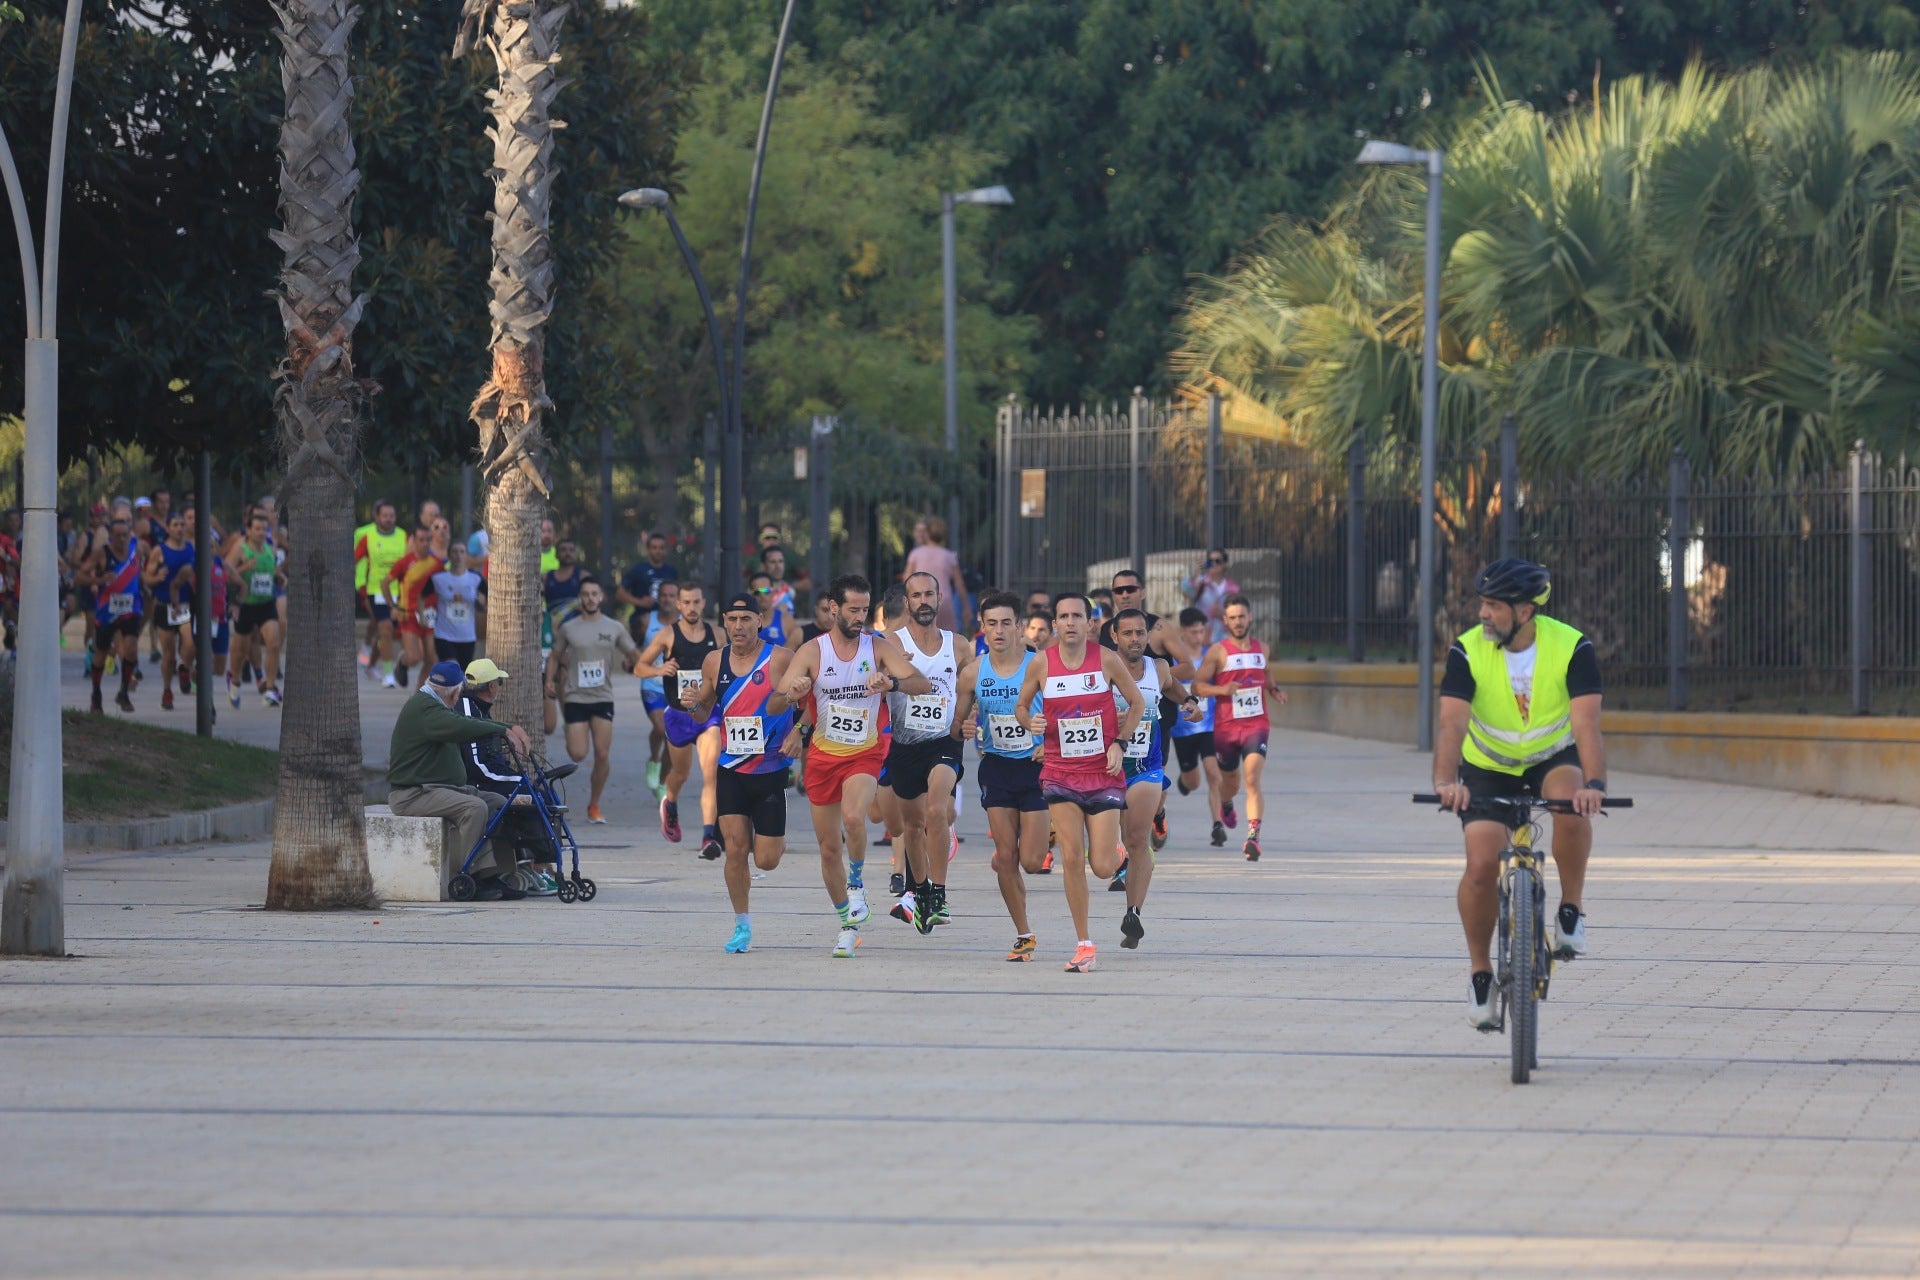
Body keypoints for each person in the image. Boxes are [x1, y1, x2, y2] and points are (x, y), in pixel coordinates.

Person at [1431, 558, 1607, 1029]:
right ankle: (1481, 973)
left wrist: (1595, 784)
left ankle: (1571, 910)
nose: (1483, 614)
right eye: (1482, 604)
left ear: (1525, 610)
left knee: (1570, 805)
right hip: (1489, 767)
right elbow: (1452, 722)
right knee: (1482, 865)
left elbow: (1586, 723)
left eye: (1493, 606)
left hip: (1551, 757)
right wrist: (1446, 782)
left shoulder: (1571, 647)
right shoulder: (1467, 651)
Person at [777, 573, 932, 959]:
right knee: (829, 850)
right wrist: (793, 693)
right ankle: (848, 925)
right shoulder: (813, 651)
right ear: (833, 608)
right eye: (853, 609)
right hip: (822, 758)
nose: (860, 616)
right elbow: (775, 703)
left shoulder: (876, 647)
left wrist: (892, 685)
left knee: (853, 817)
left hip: (865, 752)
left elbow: (922, 683)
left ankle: (858, 884)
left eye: (865, 609)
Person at [1015, 593, 1144, 974]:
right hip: (1059, 772)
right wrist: (1029, 722)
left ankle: (1117, 855)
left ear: (1090, 623)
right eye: (1063, 616)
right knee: (1071, 856)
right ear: (1054, 623)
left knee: (1102, 866)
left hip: (1102, 772)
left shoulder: (1105, 659)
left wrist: (1120, 743)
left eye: (1077, 616)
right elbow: (1022, 706)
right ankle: (1084, 943)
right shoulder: (1041, 663)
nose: (1070, 622)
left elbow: (1136, 705)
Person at [689, 592, 799, 953]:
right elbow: (704, 712)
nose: (739, 626)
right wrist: (692, 706)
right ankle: (741, 925)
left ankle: (766, 834)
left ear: (759, 621)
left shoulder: (780, 658)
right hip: (731, 769)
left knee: (766, 859)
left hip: (769, 771)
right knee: (735, 850)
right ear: (724, 621)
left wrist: (800, 732)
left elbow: (812, 698)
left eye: (746, 619)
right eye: (732, 620)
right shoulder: (713, 661)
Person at [953, 591, 1050, 961]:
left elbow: (1065, 710)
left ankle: (1038, 833)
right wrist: (960, 728)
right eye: (991, 623)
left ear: (1019, 626)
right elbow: (957, 724)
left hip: (1037, 767)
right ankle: (1024, 935)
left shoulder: (1040, 665)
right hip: (996, 767)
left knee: (1031, 861)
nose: (999, 631)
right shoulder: (974, 672)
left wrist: (1051, 743)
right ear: (982, 628)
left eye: (1006, 623)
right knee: (1007, 856)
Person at [388, 660, 533, 901]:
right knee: (474, 808)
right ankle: (472, 875)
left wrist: (508, 727)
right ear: (456, 692)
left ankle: (496, 873)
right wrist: (503, 730)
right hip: (413, 794)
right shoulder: (425, 709)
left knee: (498, 801)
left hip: (441, 788)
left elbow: (467, 723)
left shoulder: (436, 704)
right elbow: (462, 726)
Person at [1109, 608, 1203, 950]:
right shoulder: (1104, 668)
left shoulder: (1157, 667)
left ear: (1147, 637)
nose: (1135, 639)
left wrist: (1191, 702)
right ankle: (1111, 866)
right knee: (1106, 856)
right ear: (1115, 637)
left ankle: (1133, 913)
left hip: (1146, 765)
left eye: (1140, 633)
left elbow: (1173, 688)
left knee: (1137, 839)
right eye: (1128, 633)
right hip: (1109, 766)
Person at [880, 570, 966, 932]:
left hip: (944, 742)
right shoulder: (890, 643)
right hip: (905, 746)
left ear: (939, 598)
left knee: (936, 809)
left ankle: (940, 894)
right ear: (907, 602)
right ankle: (922, 889)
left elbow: (970, 689)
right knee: (912, 826)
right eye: (917, 596)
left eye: (930, 594)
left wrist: (970, 716)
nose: (924, 602)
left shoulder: (958, 645)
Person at [1097, 567, 1197, 864]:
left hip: (1156, 719)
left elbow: (1185, 670)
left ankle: (1154, 818)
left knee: (1147, 795)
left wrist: (1149, 679)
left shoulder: (1161, 630)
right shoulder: (1104, 632)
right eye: (1119, 590)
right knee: (1118, 804)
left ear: (1142, 592)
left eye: (1131, 588)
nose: (1125, 594)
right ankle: (1123, 858)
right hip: (1113, 739)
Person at [1191, 594, 1288, 861]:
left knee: (1253, 778)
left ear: (1250, 617)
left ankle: (1253, 837)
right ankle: (1225, 802)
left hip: (1257, 724)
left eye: (1241, 616)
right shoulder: (1218, 651)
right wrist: (1222, 689)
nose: (1237, 622)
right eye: (1232, 618)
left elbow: (1266, 674)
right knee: (1230, 783)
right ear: (1225, 621)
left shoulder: (1262, 649)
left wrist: (1274, 690)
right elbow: (1197, 686)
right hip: (1226, 728)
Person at [634, 581, 724, 857]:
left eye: (697, 602)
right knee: (680, 774)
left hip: (708, 714)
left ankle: (709, 836)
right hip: (678, 715)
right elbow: (639, 667)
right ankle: (669, 802)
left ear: (703, 603)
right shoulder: (667, 635)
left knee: (712, 775)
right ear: (678, 605)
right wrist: (660, 669)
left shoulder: (717, 634)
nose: (692, 607)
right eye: (686, 603)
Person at [457, 658, 558, 896]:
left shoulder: (479, 710)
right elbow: (477, 766)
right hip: (481, 783)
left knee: (544, 793)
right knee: (534, 796)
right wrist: (518, 781)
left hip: (493, 778)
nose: (499, 687)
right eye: (499, 683)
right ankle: (538, 864)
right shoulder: (470, 712)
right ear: (492, 686)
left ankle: (536, 866)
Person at [545, 577, 636, 825]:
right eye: (585, 594)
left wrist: (635, 663)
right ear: (580, 598)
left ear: (601, 597)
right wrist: (550, 679)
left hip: (603, 697)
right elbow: (555, 655)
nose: (590, 598)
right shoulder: (569, 627)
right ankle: (572, 731)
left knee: (603, 754)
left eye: (594, 593)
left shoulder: (614, 627)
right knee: (577, 753)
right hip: (575, 696)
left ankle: (594, 804)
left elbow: (633, 653)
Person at [1170, 607, 1227, 846]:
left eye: (1202, 631)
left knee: (1214, 773)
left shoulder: (1210, 655)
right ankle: (1184, 781)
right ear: (1183, 632)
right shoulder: (1173, 660)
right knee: (1193, 782)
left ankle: (1217, 825)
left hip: (1208, 724)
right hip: (1182, 729)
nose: (1198, 636)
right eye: (1193, 631)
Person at [79, 513, 146, 714]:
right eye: (118, 535)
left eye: (125, 535)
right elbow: (80, 575)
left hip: (130, 607)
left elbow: (138, 572)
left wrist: (143, 586)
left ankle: (123, 692)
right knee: (101, 652)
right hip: (107, 610)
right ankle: (96, 694)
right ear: (111, 536)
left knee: (131, 647)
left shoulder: (137, 549)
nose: (122, 539)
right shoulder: (102, 553)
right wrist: (99, 581)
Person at [224, 509, 284, 708]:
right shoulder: (241, 548)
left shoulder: (271, 546)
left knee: (273, 644)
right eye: (257, 529)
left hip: (266, 603)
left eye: (264, 529)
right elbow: (225, 571)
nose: (261, 533)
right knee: (240, 651)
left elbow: (271, 567)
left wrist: (280, 576)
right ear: (248, 531)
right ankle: (235, 681)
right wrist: (244, 568)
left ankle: (269, 688)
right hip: (246, 605)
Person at [141, 510, 197, 711]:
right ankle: (167, 690)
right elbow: (147, 578)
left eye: (182, 525)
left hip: (184, 606)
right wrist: (157, 578)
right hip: (163, 606)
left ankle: (184, 668)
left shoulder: (191, 549)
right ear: (168, 528)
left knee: (190, 643)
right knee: (169, 654)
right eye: (175, 525)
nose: (180, 528)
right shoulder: (160, 550)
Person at [355, 500, 408, 681]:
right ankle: (388, 675)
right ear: (377, 517)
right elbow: (353, 560)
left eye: (391, 516)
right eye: (385, 516)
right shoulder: (368, 537)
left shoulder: (403, 536)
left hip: (398, 593)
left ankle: (370, 665)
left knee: (386, 633)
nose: (388, 519)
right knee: (384, 628)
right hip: (374, 591)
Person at [640, 580, 679, 793]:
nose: (667, 599)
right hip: (652, 685)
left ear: (678, 600)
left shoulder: (686, 623)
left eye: (672, 596)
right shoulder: (647, 621)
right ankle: (654, 759)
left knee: (672, 736)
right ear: (658, 597)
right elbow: (636, 648)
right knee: (661, 728)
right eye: (664, 595)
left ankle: (663, 779)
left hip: (675, 688)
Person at [904, 516, 971, 633]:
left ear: (927, 533)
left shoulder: (916, 554)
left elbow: (906, 579)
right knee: (947, 637)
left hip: (922, 601)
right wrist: (966, 607)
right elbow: (959, 584)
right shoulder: (949, 556)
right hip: (944, 601)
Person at [430, 542, 484, 668]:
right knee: (451, 668)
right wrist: (422, 616)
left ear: (466, 556)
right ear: (449, 555)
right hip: (444, 635)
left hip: (467, 636)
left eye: (461, 552)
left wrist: (482, 602)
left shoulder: (475, 579)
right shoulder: (438, 578)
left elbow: (487, 598)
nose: (458, 555)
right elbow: (422, 597)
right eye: (454, 552)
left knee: (463, 675)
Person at [617, 532, 678, 638]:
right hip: (642, 618)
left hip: (667, 618)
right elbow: (620, 593)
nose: (658, 551)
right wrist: (639, 602)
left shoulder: (671, 571)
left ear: (666, 550)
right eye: (654, 547)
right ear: (648, 550)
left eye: (661, 548)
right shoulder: (638, 570)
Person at [1185, 548, 1240, 642]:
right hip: (1202, 638)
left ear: (1225, 564)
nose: (1214, 564)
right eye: (1210, 561)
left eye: (1218, 561)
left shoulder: (1233, 587)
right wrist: (1193, 575)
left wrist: (1223, 614)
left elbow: (1237, 612)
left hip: (1225, 638)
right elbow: (1186, 590)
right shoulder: (1201, 583)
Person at [748, 569, 799, 650]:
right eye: (757, 592)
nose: (762, 596)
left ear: (773, 592)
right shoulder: (744, 622)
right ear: (751, 595)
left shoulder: (786, 620)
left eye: (766, 591)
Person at [543, 539, 584, 629]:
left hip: (577, 630)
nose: (567, 553)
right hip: (553, 630)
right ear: (556, 554)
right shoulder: (546, 578)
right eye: (563, 550)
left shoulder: (583, 576)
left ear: (575, 555)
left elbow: (599, 598)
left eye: (571, 550)